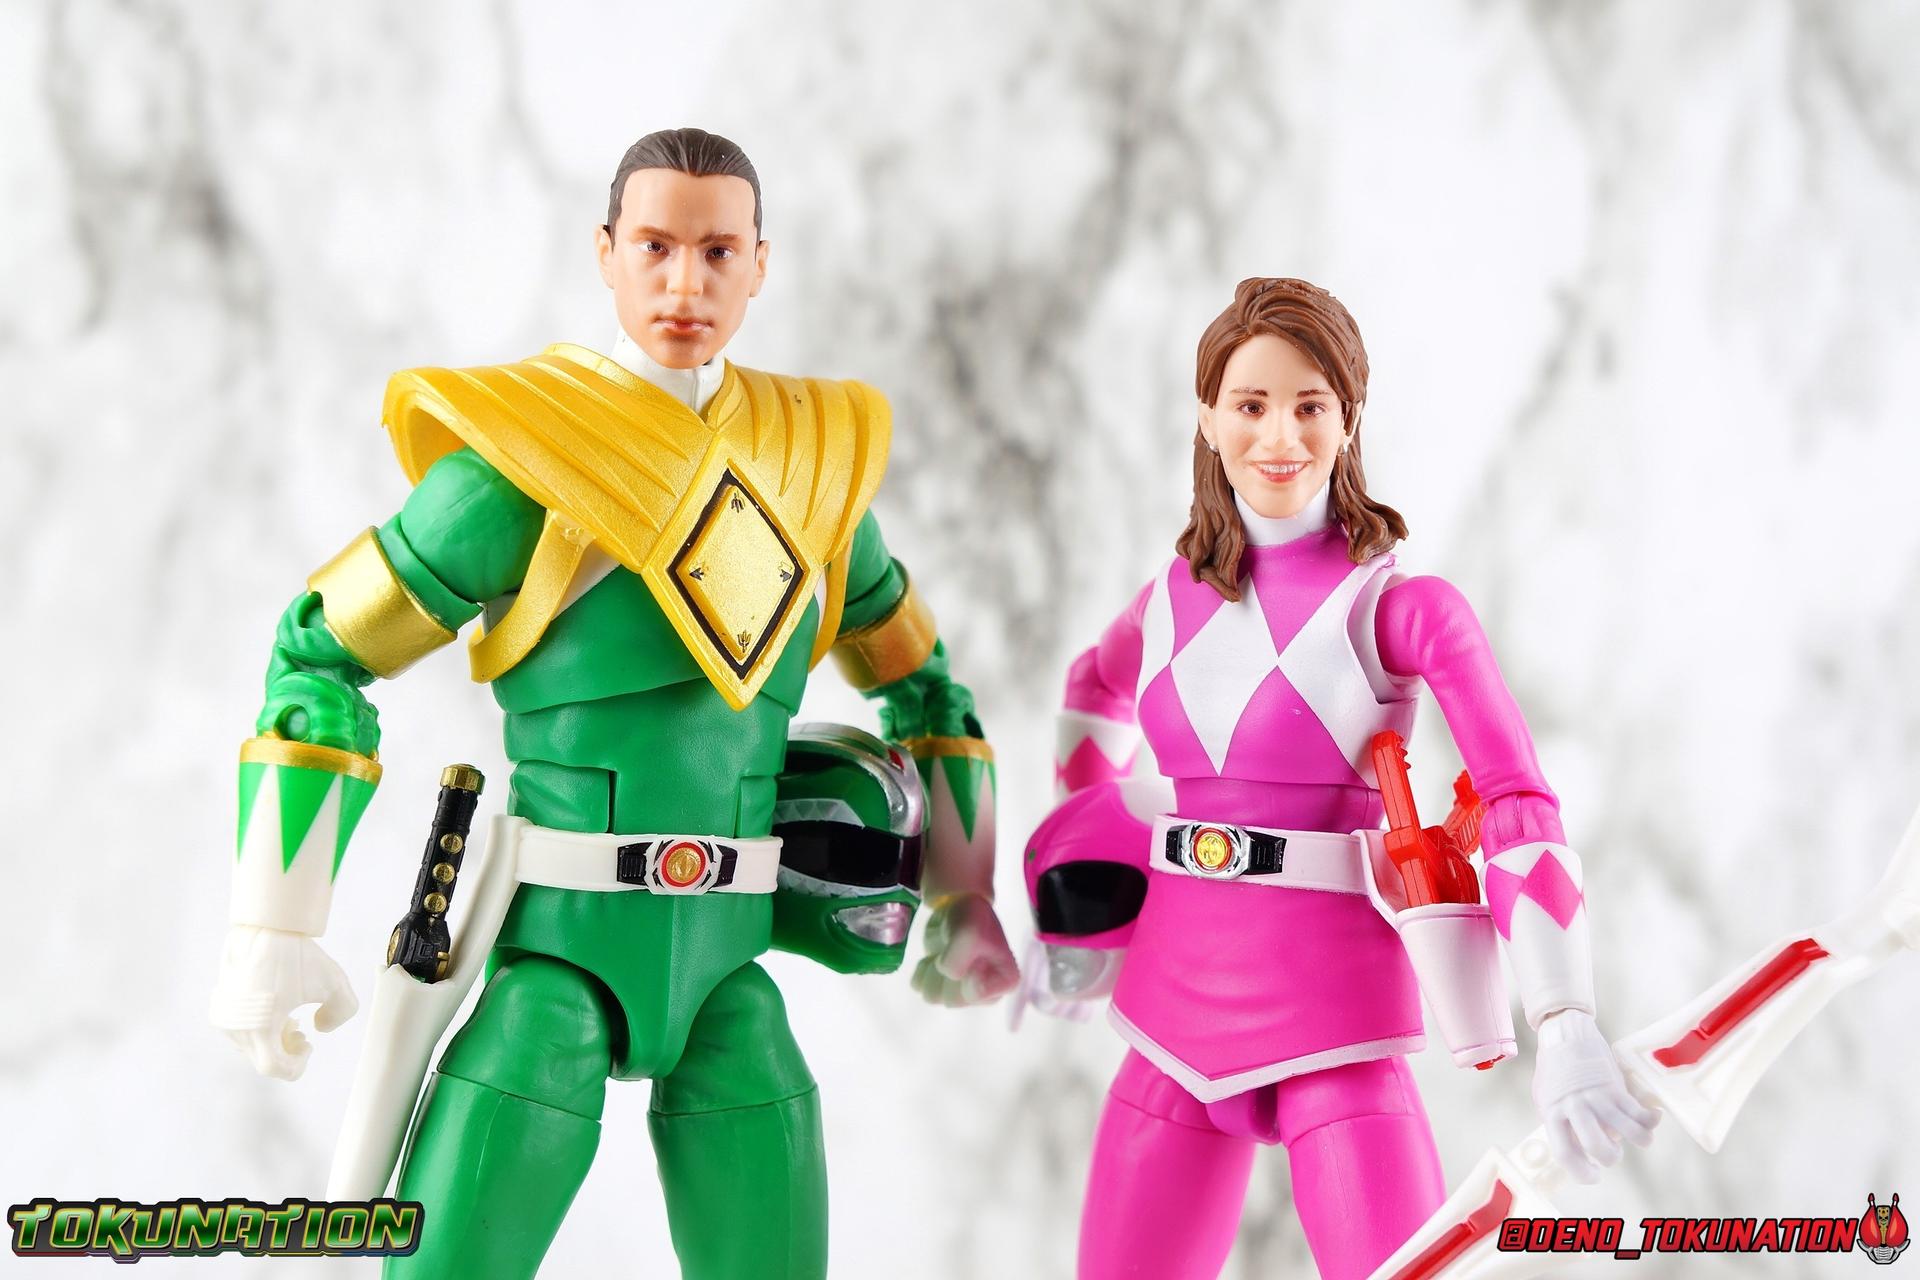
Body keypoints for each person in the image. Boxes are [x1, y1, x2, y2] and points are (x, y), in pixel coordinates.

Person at [208, 127, 1019, 1280]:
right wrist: (274, 920)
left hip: (732, 966)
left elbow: (925, 686)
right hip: (558, 957)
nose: (685, 282)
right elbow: (320, 652)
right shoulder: (526, 463)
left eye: (717, 250)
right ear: (606, 252)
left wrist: (965, 893)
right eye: (655, 246)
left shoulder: (817, 476)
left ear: (759, 263)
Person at [1025, 277, 1656, 1279]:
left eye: (1309, 405)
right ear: (1208, 417)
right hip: (1169, 1021)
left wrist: (1566, 1017)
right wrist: (1077, 907)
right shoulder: (1167, 600)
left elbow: (1516, 801)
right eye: (1251, 405)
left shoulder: (1402, 609)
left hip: (1336, 1022)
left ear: (1348, 417)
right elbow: (1089, 691)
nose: (1279, 436)